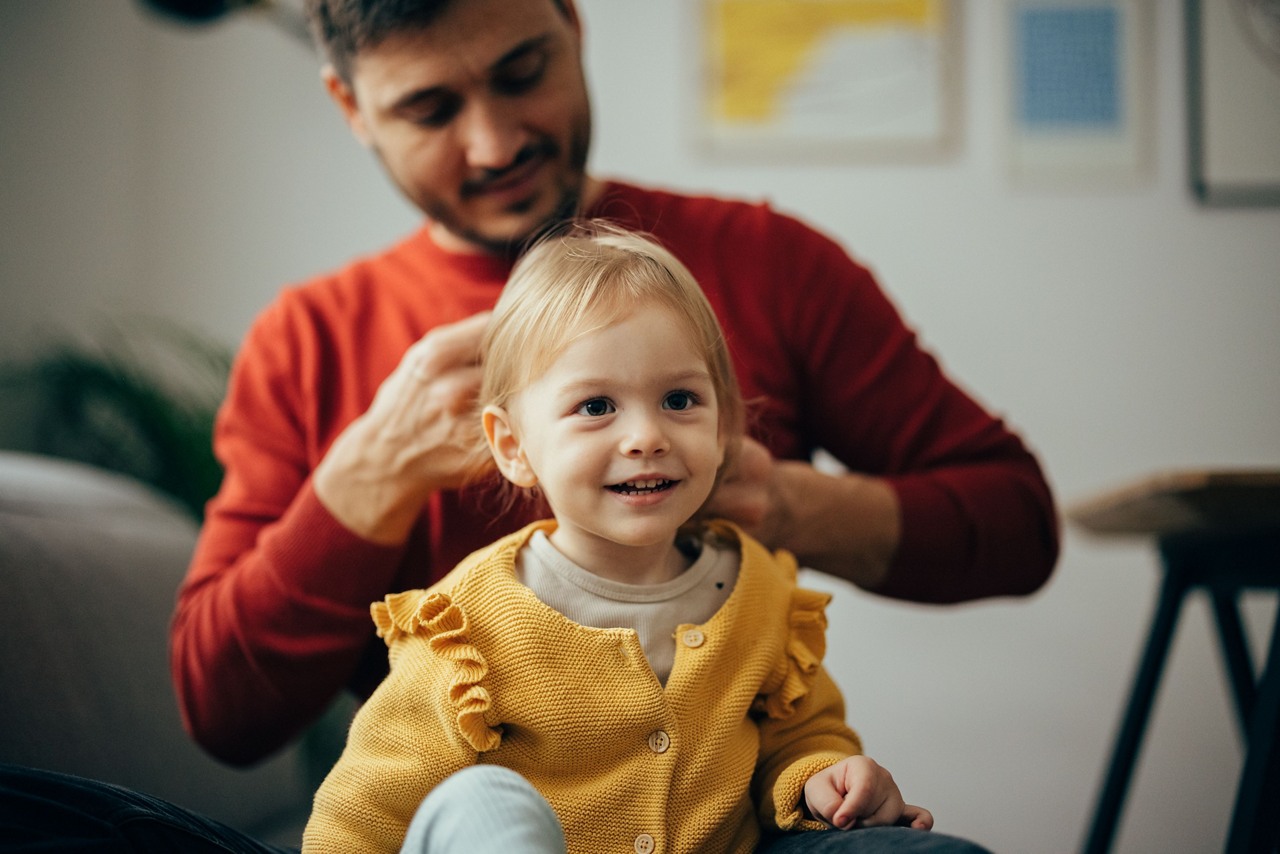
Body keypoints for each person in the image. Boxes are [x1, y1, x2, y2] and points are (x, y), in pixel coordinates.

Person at [171, 0, 1060, 770]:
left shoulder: (771, 264)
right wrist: (369, 478)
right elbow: (221, 715)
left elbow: (1019, 522)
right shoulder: (307, 343)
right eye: (429, 109)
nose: (495, 142)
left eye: (523, 73)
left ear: (572, 21)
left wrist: (783, 506)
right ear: (351, 108)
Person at [302, 224, 983, 854]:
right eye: (596, 407)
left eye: (680, 400)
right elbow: (364, 812)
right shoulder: (466, 626)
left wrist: (822, 778)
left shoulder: (760, 589)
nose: (647, 436)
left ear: (723, 428)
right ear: (513, 446)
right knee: (482, 804)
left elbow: (799, 734)